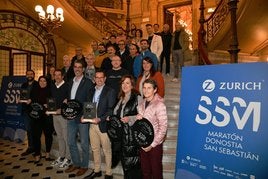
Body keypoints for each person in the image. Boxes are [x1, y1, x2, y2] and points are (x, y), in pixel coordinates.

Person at [83, 69, 116, 179]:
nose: (99, 79)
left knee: (107, 150)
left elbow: (111, 110)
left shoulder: (110, 91)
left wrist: (100, 119)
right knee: (95, 149)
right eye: (97, 77)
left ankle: (108, 172)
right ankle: (97, 170)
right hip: (92, 125)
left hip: (103, 125)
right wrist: (85, 115)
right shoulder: (91, 91)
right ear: (94, 79)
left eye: (101, 77)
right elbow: (88, 106)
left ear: (105, 79)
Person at [64, 60, 94, 177]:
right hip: (70, 116)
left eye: (79, 67)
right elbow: (69, 97)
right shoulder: (70, 82)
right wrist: (66, 101)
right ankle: (76, 163)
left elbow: (90, 100)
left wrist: (87, 116)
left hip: (82, 118)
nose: (77, 69)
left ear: (83, 69)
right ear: (73, 68)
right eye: (75, 67)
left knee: (84, 144)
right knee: (71, 141)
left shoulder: (88, 83)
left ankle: (84, 166)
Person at [110, 75, 142, 179]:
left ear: (132, 85)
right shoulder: (120, 98)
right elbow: (118, 115)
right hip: (120, 137)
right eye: (123, 83)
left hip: (131, 138)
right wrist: (112, 118)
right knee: (125, 165)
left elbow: (142, 116)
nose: (125, 85)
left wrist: (130, 119)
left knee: (132, 166)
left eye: (127, 83)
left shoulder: (138, 97)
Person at [136, 79, 168, 179]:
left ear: (155, 90)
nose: (146, 90)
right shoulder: (141, 105)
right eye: (144, 88)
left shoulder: (159, 105)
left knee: (156, 172)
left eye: (149, 88)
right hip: (143, 142)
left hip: (155, 145)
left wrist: (152, 144)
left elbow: (163, 128)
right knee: (145, 171)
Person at [29, 76, 54, 163]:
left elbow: (53, 103)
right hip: (36, 117)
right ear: (38, 81)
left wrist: (49, 105)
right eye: (40, 81)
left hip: (46, 116)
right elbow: (31, 102)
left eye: (44, 81)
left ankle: (47, 154)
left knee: (48, 135)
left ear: (47, 82)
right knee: (36, 136)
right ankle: (37, 154)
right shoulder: (34, 91)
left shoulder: (50, 91)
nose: (42, 82)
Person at [50, 69, 71, 169]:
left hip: (63, 116)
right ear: (53, 76)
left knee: (66, 137)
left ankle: (68, 158)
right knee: (59, 137)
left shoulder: (67, 86)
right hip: (54, 115)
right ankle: (62, 156)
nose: (57, 77)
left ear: (62, 76)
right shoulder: (52, 86)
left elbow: (69, 101)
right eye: (55, 75)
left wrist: (61, 109)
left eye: (59, 75)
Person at [20, 70, 38, 156]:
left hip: (35, 110)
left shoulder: (37, 84)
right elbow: (22, 96)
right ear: (26, 76)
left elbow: (40, 96)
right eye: (28, 74)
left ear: (34, 75)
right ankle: (30, 147)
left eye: (31, 74)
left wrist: (32, 100)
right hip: (26, 110)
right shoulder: (24, 85)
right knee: (28, 129)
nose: (29, 76)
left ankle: (36, 148)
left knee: (35, 129)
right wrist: (19, 99)